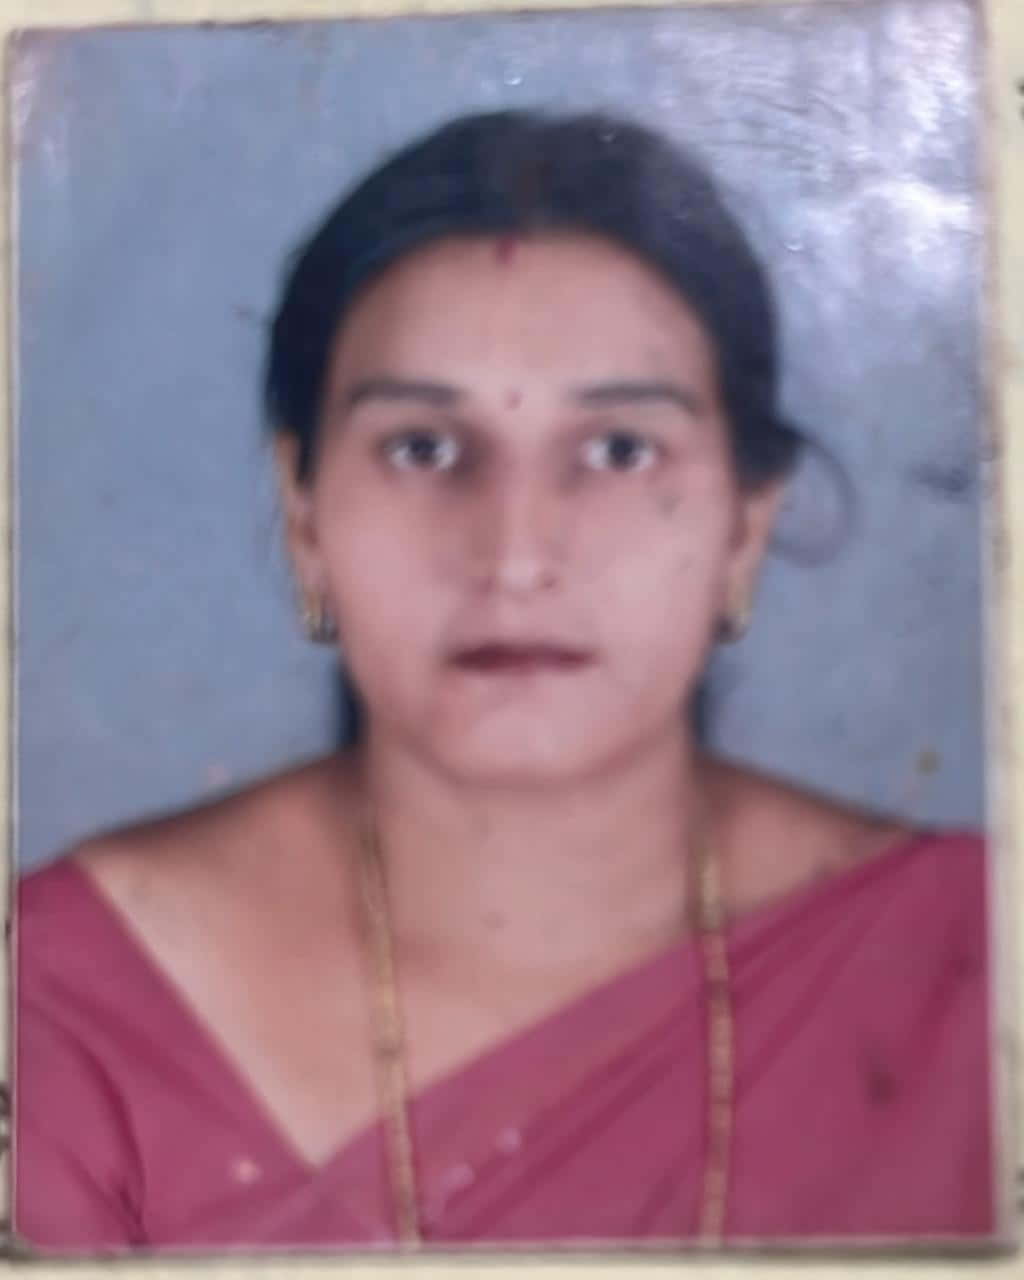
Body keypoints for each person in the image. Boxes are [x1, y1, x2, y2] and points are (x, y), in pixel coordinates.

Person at [14, 110, 994, 1252]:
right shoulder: (73, 990)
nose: (516, 558)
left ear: (744, 524)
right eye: (423, 447)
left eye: (619, 450)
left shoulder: (964, 965)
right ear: (304, 514)